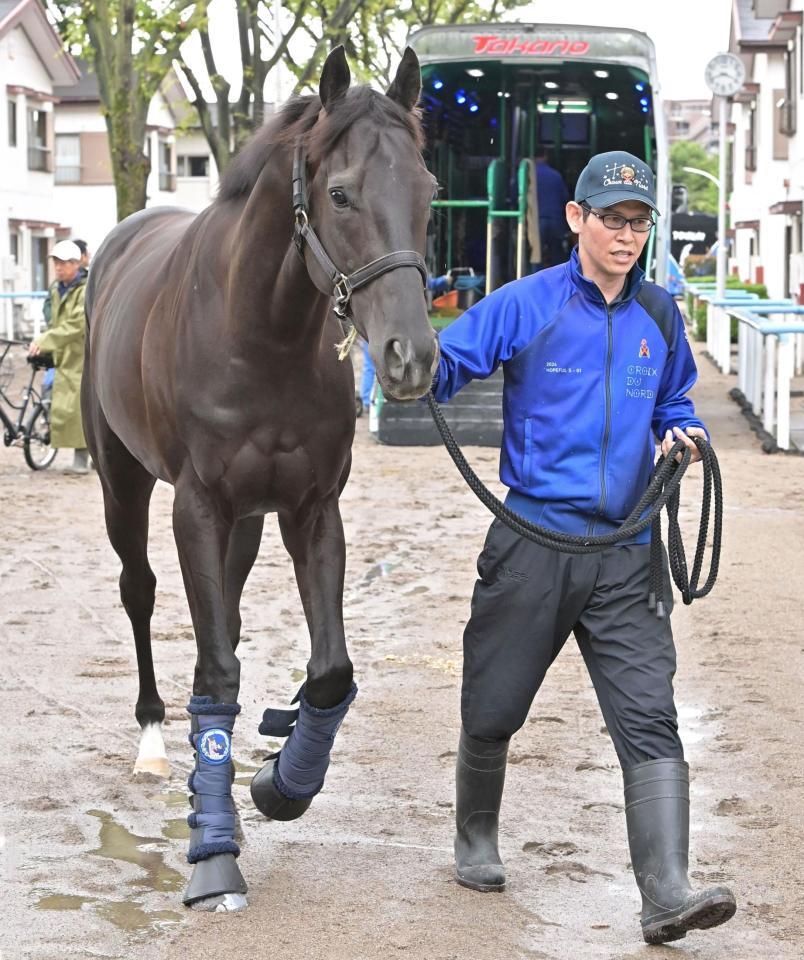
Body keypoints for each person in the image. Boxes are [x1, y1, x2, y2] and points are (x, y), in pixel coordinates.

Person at [431, 151, 736, 945]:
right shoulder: (525, 303)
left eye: (640, 223)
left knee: (650, 718)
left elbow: (673, 397)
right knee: (492, 710)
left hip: (626, 552)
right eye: (613, 220)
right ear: (577, 220)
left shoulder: (661, 316)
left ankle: (667, 892)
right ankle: (475, 839)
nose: (627, 236)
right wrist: (393, 357)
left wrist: (685, 431)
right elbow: (440, 365)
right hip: (532, 543)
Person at [28, 240, 90, 474]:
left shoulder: (84, 290)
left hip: (81, 354)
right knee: (59, 400)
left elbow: (76, 325)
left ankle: (82, 458)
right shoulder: (56, 288)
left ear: (76, 264)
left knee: (78, 406)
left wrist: (45, 340)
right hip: (62, 353)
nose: (58, 268)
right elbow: (55, 320)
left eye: (63, 263)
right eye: (56, 262)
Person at [531, 148, 569, 270]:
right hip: (556, 220)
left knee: (536, 255)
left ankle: (535, 283)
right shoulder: (556, 175)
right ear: (545, 156)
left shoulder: (528, 175)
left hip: (536, 221)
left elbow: (516, 195)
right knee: (557, 255)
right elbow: (565, 198)